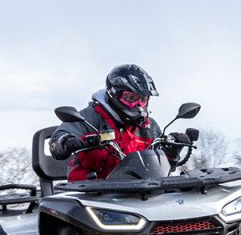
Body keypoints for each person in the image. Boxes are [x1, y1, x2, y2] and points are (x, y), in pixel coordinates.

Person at [50, 64, 191, 181]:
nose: (138, 106)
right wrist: (67, 142)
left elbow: (159, 169)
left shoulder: (149, 126)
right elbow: (56, 144)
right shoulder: (90, 117)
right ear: (113, 94)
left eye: (142, 100)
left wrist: (171, 152)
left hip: (136, 194)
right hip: (90, 193)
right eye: (130, 98)